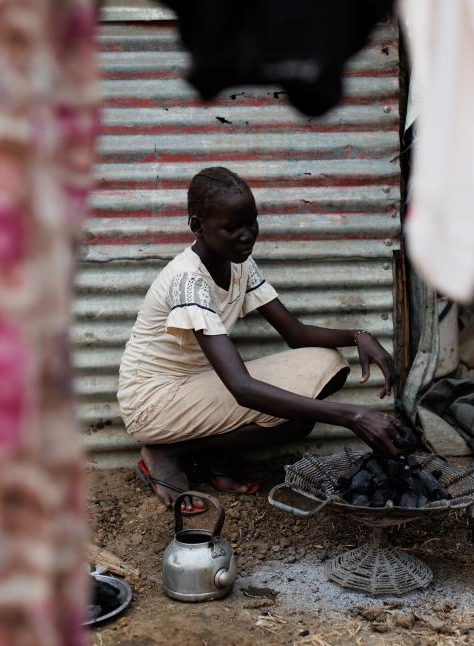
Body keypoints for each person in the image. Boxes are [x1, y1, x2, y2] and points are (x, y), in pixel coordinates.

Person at [117, 167, 404, 514]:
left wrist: (359, 335)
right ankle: (167, 453)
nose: (246, 236)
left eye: (251, 222)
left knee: (326, 366)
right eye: (231, 227)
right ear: (197, 225)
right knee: (297, 415)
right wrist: (351, 416)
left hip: (194, 386)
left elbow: (295, 334)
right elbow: (241, 387)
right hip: (153, 402)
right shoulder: (187, 280)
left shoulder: (239, 264)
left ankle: (204, 455)